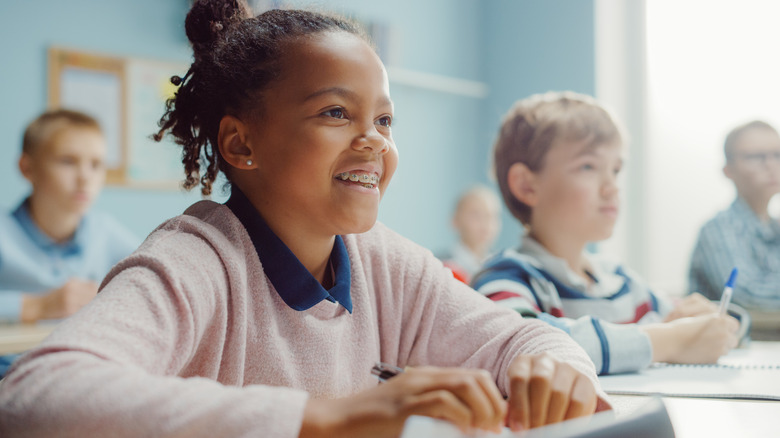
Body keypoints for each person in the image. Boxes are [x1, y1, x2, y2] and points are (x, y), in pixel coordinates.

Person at [0, 4, 609, 437]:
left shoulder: (385, 261)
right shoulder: (194, 261)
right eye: (337, 113)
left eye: (385, 121)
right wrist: (322, 418)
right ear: (241, 146)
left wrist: (553, 370)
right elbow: (33, 398)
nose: (374, 141)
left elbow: (522, 339)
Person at [472, 91, 740, 376]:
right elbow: (520, 348)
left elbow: (714, 328)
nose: (612, 187)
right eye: (588, 167)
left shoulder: (620, 282)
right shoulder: (506, 276)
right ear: (527, 186)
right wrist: (672, 340)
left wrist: (716, 323)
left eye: (616, 169)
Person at [0, 109, 138, 374]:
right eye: (67, 161)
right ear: (27, 168)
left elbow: (150, 276)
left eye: (96, 164)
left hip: (83, 373)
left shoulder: (104, 230)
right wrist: (36, 306)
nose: (85, 177)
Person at [689, 120, 780, 310]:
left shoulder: (775, 228)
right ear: (728, 170)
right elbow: (748, 295)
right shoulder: (717, 230)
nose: (771, 165)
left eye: (777, 155)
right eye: (756, 157)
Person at [440, 185, 502, 283]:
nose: (485, 224)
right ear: (455, 220)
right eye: (475, 215)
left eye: (490, 216)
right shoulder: (439, 267)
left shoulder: (502, 268)